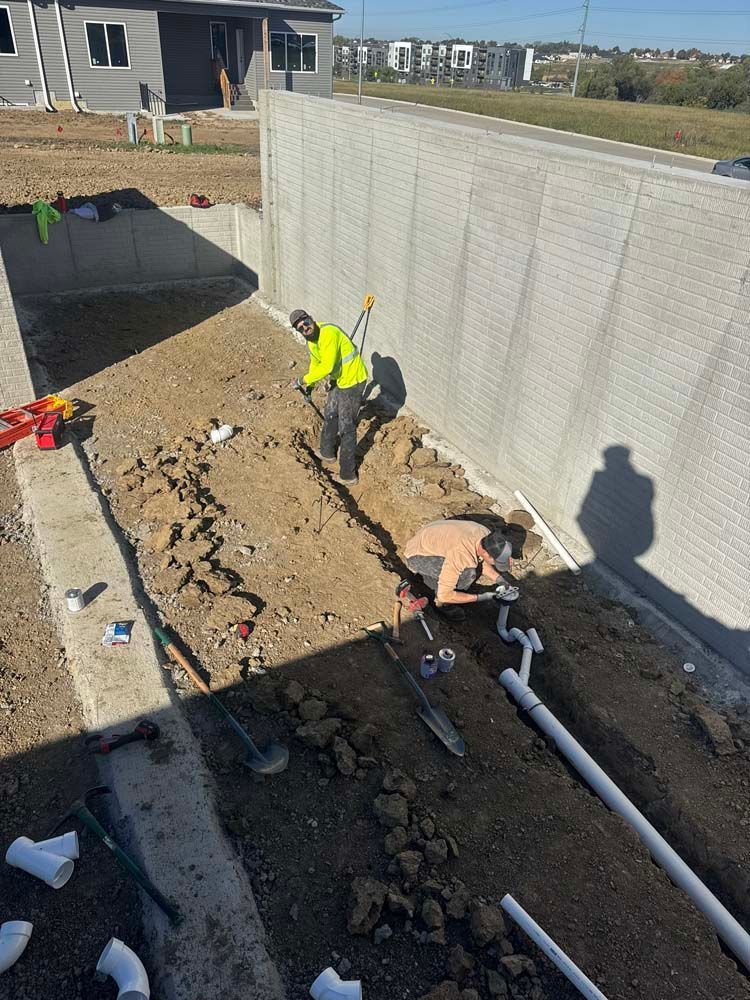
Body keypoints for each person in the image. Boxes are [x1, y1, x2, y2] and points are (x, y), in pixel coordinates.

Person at [290, 309, 369, 486]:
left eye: (306, 322)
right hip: (338, 379)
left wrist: (302, 380)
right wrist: (309, 387)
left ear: (312, 319)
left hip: (353, 380)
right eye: (300, 327)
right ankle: (327, 453)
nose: (305, 328)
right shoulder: (311, 342)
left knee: (346, 426)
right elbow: (315, 365)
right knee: (331, 413)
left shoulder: (328, 333)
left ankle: (348, 475)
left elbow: (326, 366)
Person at [403, 519, 516, 621]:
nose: (496, 564)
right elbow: (445, 595)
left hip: (431, 538)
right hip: (417, 556)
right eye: (496, 561)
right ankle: (441, 604)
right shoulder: (461, 554)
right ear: (486, 553)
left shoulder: (486, 535)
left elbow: (482, 561)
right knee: (468, 574)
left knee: (471, 567)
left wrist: (501, 580)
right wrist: (481, 597)